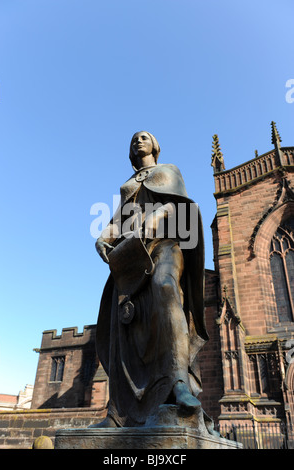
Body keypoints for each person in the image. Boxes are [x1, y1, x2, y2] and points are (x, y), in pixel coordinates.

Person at [93, 131, 209, 428]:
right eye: (133, 138)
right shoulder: (129, 185)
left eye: (144, 137)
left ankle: (178, 383)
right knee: (121, 324)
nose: (138, 140)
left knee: (166, 287)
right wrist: (102, 239)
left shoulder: (169, 172)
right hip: (131, 255)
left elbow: (180, 206)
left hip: (165, 244)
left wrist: (156, 218)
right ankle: (117, 413)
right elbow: (117, 222)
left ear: (155, 146)